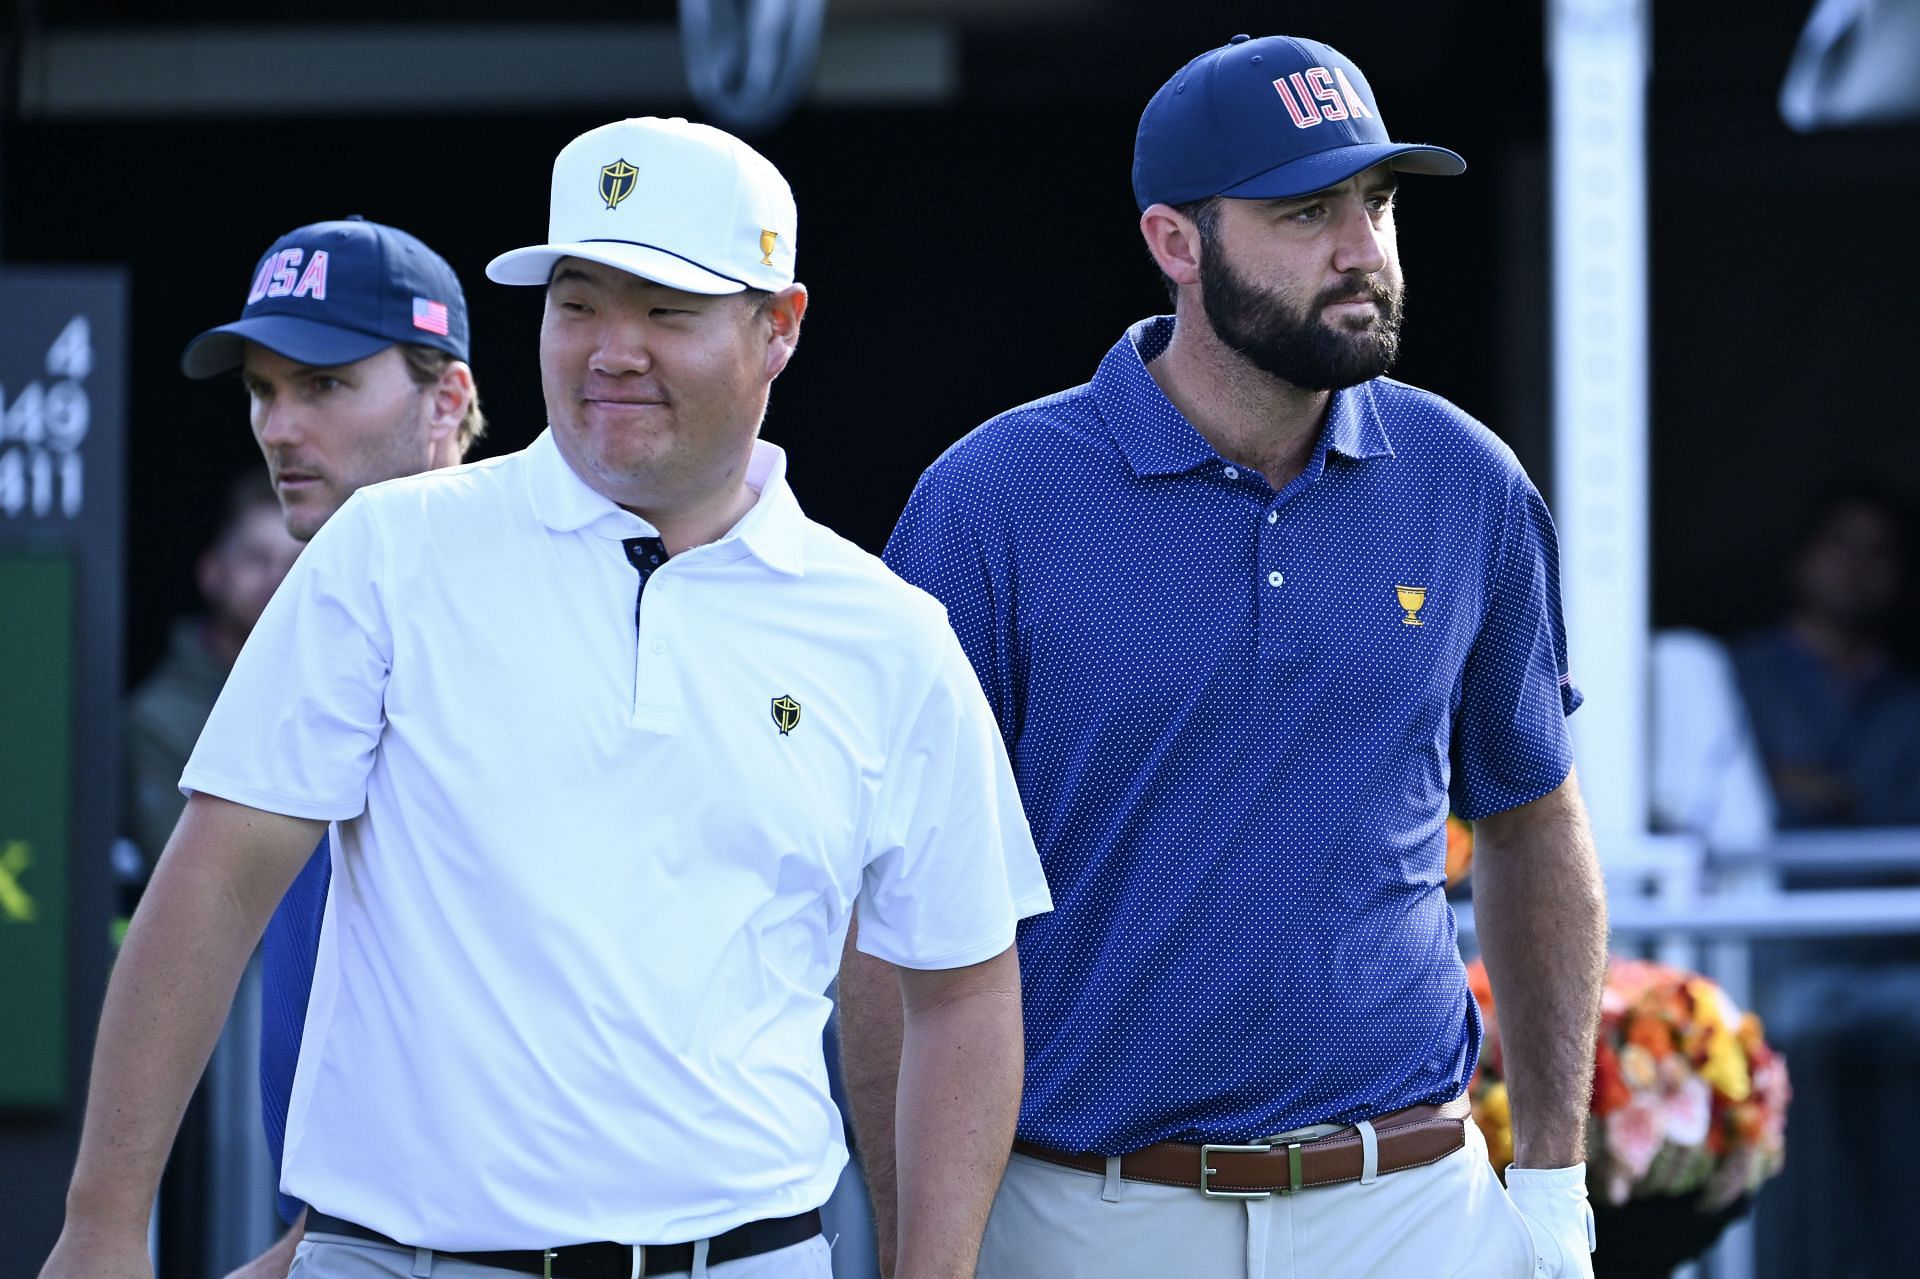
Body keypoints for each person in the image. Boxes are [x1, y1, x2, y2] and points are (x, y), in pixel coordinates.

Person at [40, 115, 1048, 1279]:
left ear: (779, 328)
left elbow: (965, 989)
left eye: (665, 309)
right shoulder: (387, 553)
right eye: (577, 304)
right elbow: (211, 885)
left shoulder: (889, 635)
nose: (612, 349)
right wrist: (105, 1224)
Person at [841, 33, 1608, 1279]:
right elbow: (893, 911)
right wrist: (921, 1250)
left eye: (1377, 202)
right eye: (1306, 211)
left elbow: (1533, 823)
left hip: (1415, 1209)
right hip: (1084, 1215)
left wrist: (1558, 1195)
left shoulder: (1469, 482)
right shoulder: (989, 504)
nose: (1362, 249)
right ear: (1175, 243)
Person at [175, 213, 488, 1279]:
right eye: (264, 389)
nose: (278, 425)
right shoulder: (323, 600)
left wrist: (327, 1243)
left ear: (447, 398)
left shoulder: (512, 615)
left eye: (323, 385)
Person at [123, 470, 302, 884]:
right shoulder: (158, 720)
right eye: (257, 559)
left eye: (295, 564)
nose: (276, 579)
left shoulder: (348, 699)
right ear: (212, 573)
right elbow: (197, 885)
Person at [1731, 483, 1920, 827]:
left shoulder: (1909, 700)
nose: (1858, 565)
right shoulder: (1734, 679)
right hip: (1762, 881)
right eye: (1841, 543)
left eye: (1879, 551)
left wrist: (1831, 789)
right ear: (1799, 556)